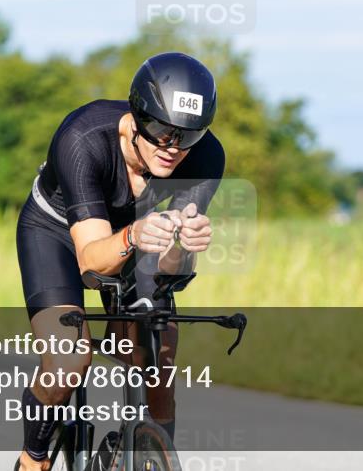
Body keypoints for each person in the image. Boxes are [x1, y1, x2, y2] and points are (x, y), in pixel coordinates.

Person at [14, 52, 225, 471]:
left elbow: (169, 272)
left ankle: (152, 456)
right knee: (69, 361)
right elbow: (91, 261)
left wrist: (184, 246)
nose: (173, 147)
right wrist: (133, 234)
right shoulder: (83, 137)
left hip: (141, 234)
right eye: (162, 131)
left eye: (188, 135)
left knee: (159, 362)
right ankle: (33, 457)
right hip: (57, 232)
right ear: (137, 117)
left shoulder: (205, 157)